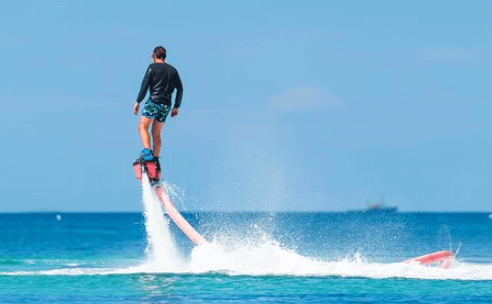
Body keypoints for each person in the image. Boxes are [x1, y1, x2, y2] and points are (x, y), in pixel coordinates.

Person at [133, 46, 183, 169]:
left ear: (154, 56)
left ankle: (147, 154)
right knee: (156, 133)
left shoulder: (152, 67)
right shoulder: (173, 70)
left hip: (153, 102)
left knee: (142, 127)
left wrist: (138, 101)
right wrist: (176, 106)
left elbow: (144, 86)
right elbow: (180, 88)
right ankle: (156, 161)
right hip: (166, 105)